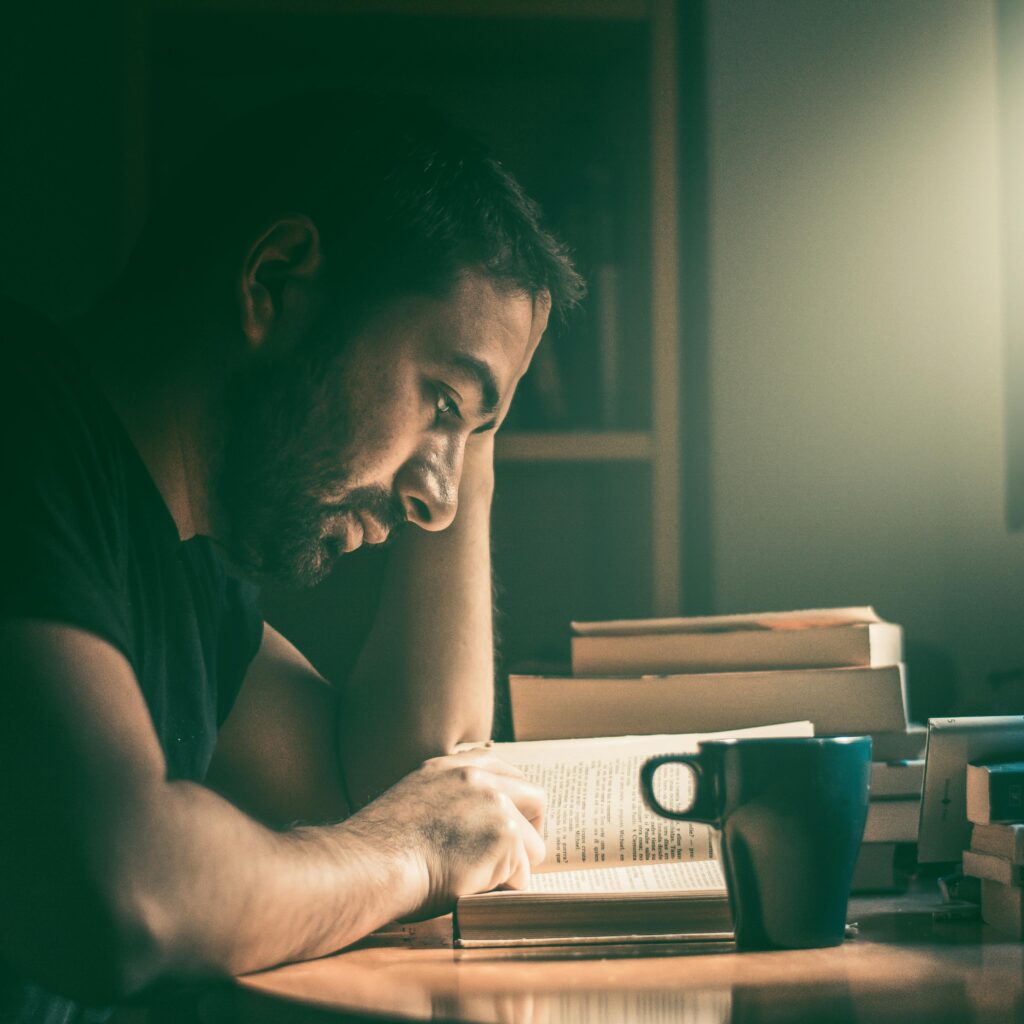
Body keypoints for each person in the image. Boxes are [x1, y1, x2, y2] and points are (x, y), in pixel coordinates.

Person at [0, 92, 584, 1021]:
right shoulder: (21, 430)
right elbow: (125, 895)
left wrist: (473, 429)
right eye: (438, 398)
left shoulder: (185, 574)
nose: (436, 497)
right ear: (273, 280)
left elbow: (399, 782)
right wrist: (412, 853)